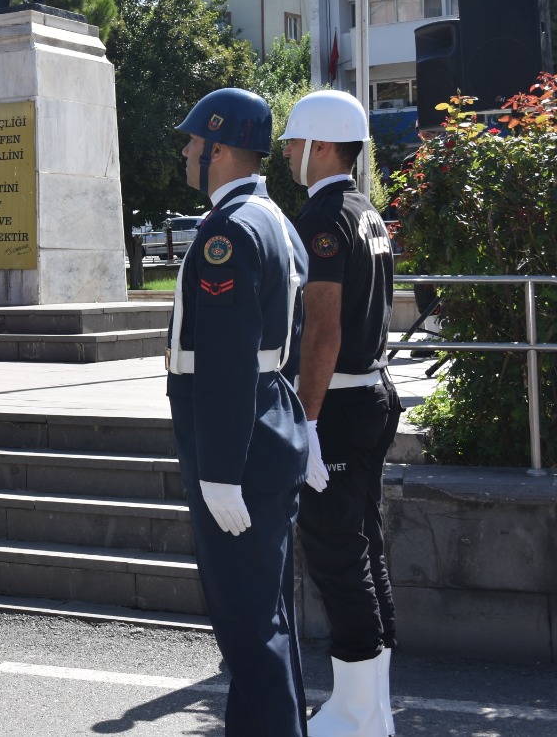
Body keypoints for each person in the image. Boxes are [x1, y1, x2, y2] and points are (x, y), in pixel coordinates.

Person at [167, 87, 309, 736]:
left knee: (248, 631)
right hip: (271, 422)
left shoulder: (228, 232)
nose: (189, 152)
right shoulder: (277, 221)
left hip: (236, 443)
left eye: (196, 143)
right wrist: (302, 431)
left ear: (222, 150)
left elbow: (226, 360)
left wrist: (219, 469)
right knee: (268, 619)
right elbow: (292, 340)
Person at [280, 90, 401, 737]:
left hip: (343, 402)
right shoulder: (366, 212)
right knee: (365, 547)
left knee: (334, 552)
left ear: (322, 145)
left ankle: (356, 710)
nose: (290, 156)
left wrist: (306, 422)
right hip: (371, 393)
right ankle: (372, 704)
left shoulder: (323, 218)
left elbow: (322, 331)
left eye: (295, 144)